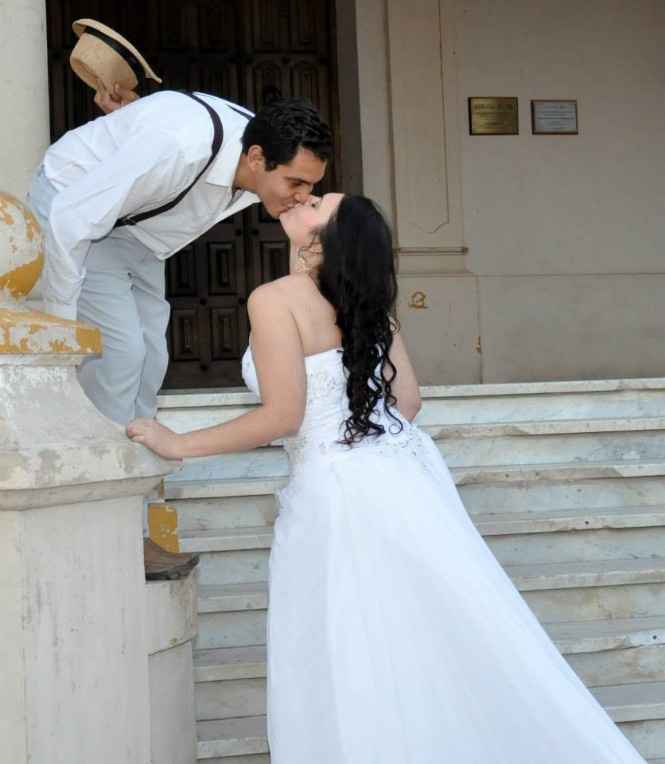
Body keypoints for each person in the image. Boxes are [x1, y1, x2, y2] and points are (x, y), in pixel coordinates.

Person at [127, 194, 645, 762]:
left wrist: (179, 443)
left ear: (324, 239)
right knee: (427, 632)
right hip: (405, 473)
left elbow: (282, 416)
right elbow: (408, 401)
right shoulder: (372, 304)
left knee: (350, 643)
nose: (304, 197)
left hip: (339, 489)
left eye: (319, 201)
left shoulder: (274, 300)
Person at [28, 92, 332, 426]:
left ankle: (141, 459)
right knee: (118, 353)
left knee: (152, 358)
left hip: (143, 229)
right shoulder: (180, 148)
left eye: (311, 185)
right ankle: (99, 462)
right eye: (296, 183)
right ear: (257, 159)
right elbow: (70, 219)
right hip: (75, 201)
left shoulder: (261, 152)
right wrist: (64, 327)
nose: (303, 196)